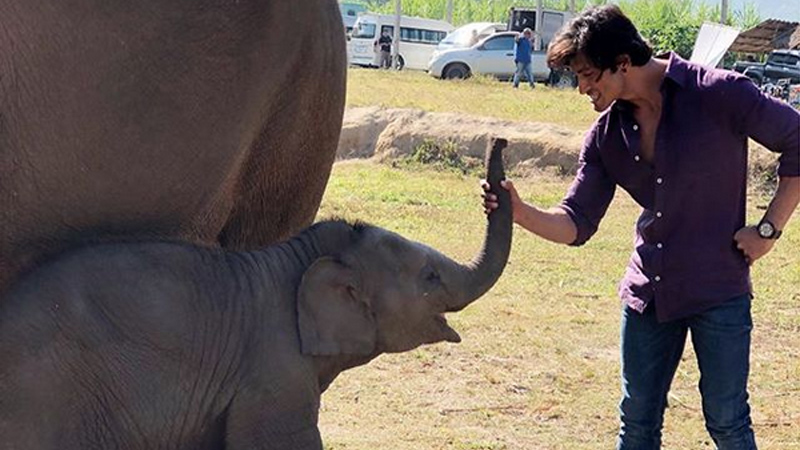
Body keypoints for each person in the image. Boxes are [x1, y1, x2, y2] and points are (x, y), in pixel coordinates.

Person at [483, 5, 799, 450]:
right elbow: (576, 221)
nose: (582, 88)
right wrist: (519, 210)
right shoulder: (606, 134)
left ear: (623, 63)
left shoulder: (719, 93)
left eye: (589, 74)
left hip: (718, 291)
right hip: (648, 295)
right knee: (636, 424)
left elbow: (796, 138)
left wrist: (768, 230)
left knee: (727, 422)